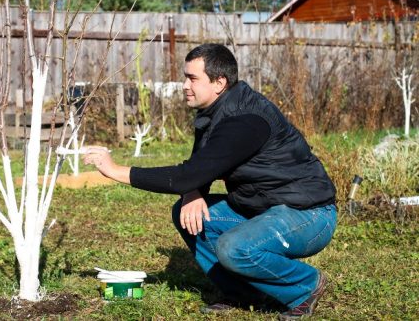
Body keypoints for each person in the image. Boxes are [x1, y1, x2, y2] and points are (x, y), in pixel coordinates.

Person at [84, 43, 337, 320]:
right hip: (261, 208)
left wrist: (115, 170)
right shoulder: (213, 111)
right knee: (186, 212)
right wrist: (193, 193)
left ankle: (305, 285)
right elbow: (199, 168)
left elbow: (187, 175)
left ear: (219, 82)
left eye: (192, 78)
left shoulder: (246, 121)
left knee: (235, 248)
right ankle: (243, 293)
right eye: (185, 77)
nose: (184, 85)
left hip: (307, 214)